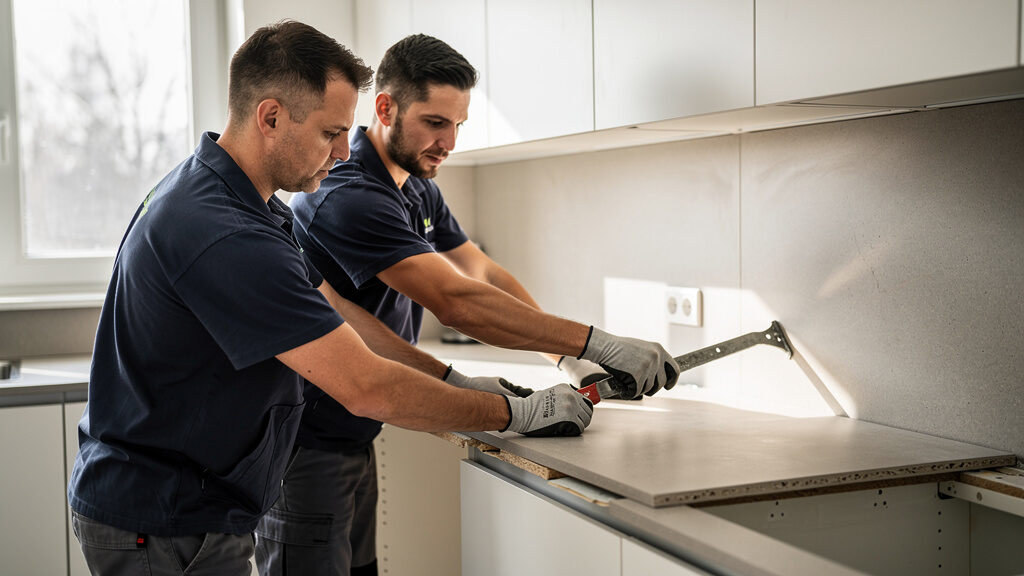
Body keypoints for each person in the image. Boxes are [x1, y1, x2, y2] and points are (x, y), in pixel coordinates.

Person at [67, 21, 596, 576]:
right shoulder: (227, 232)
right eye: (331, 133)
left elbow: (338, 313)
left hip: (186, 504)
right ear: (270, 117)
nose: (345, 151)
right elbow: (367, 387)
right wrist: (514, 412)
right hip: (164, 518)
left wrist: (452, 382)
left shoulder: (245, 202)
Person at [256, 34, 681, 576]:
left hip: (353, 432)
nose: (450, 141)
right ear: (385, 108)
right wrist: (596, 342)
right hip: (306, 440)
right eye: (436, 122)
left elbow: (480, 272)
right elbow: (456, 301)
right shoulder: (347, 194)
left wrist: (566, 360)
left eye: (458, 123)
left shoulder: (415, 185)